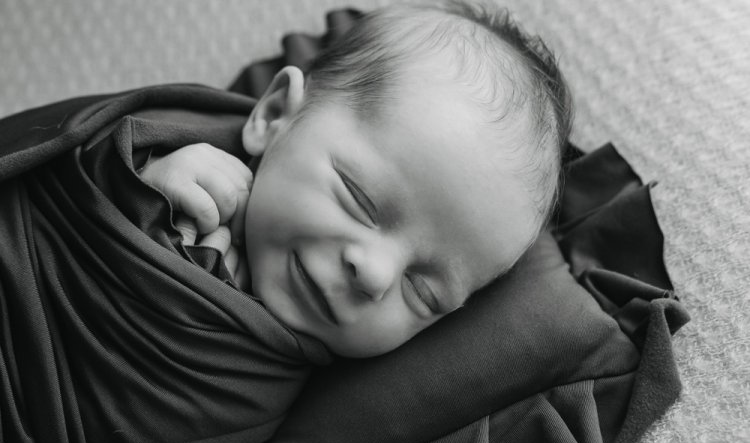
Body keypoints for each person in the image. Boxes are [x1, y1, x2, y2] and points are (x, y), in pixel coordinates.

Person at [140, 0, 572, 357]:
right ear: (274, 116)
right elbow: (74, 177)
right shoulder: (173, 158)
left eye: (423, 293)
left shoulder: (331, 400)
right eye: (360, 200)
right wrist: (141, 189)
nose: (375, 276)